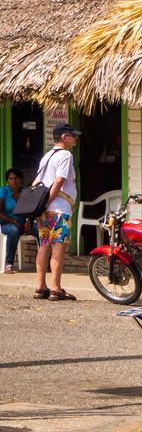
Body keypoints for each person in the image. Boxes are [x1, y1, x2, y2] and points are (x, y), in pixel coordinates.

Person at [34, 124, 81, 301]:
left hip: (44, 212)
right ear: (64, 137)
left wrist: (40, 206)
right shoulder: (65, 155)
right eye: (72, 136)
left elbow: (37, 181)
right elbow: (59, 181)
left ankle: (40, 287)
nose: (75, 139)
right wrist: (47, 202)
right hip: (59, 209)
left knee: (44, 245)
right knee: (58, 247)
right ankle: (55, 287)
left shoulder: (47, 156)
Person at [1, 168, 26, 273]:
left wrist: (29, 221)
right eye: (11, 179)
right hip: (7, 224)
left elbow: (29, 210)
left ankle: (46, 263)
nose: (14, 181)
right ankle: (9, 263)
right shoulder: (3, 191)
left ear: (21, 180)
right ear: (7, 180)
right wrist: (14, 221)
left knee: (41, 230)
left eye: (16, 178)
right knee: (14, 230)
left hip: (23, 223)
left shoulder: (25, 192)